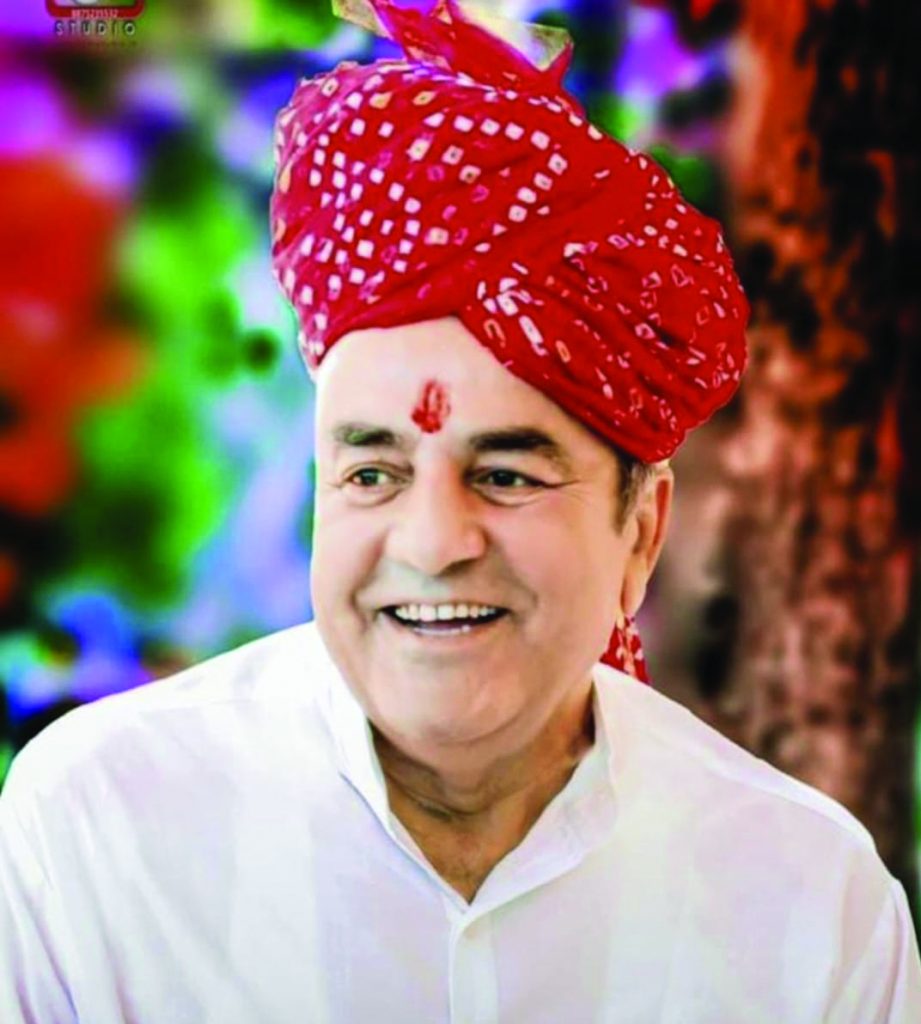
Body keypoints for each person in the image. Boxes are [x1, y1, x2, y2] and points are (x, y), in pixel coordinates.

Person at [2, 1, 919, 1021]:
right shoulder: (91, 838)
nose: (434, 543)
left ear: (642, 533)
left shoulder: (812, 909)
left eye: (507, 475)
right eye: (372, 473)